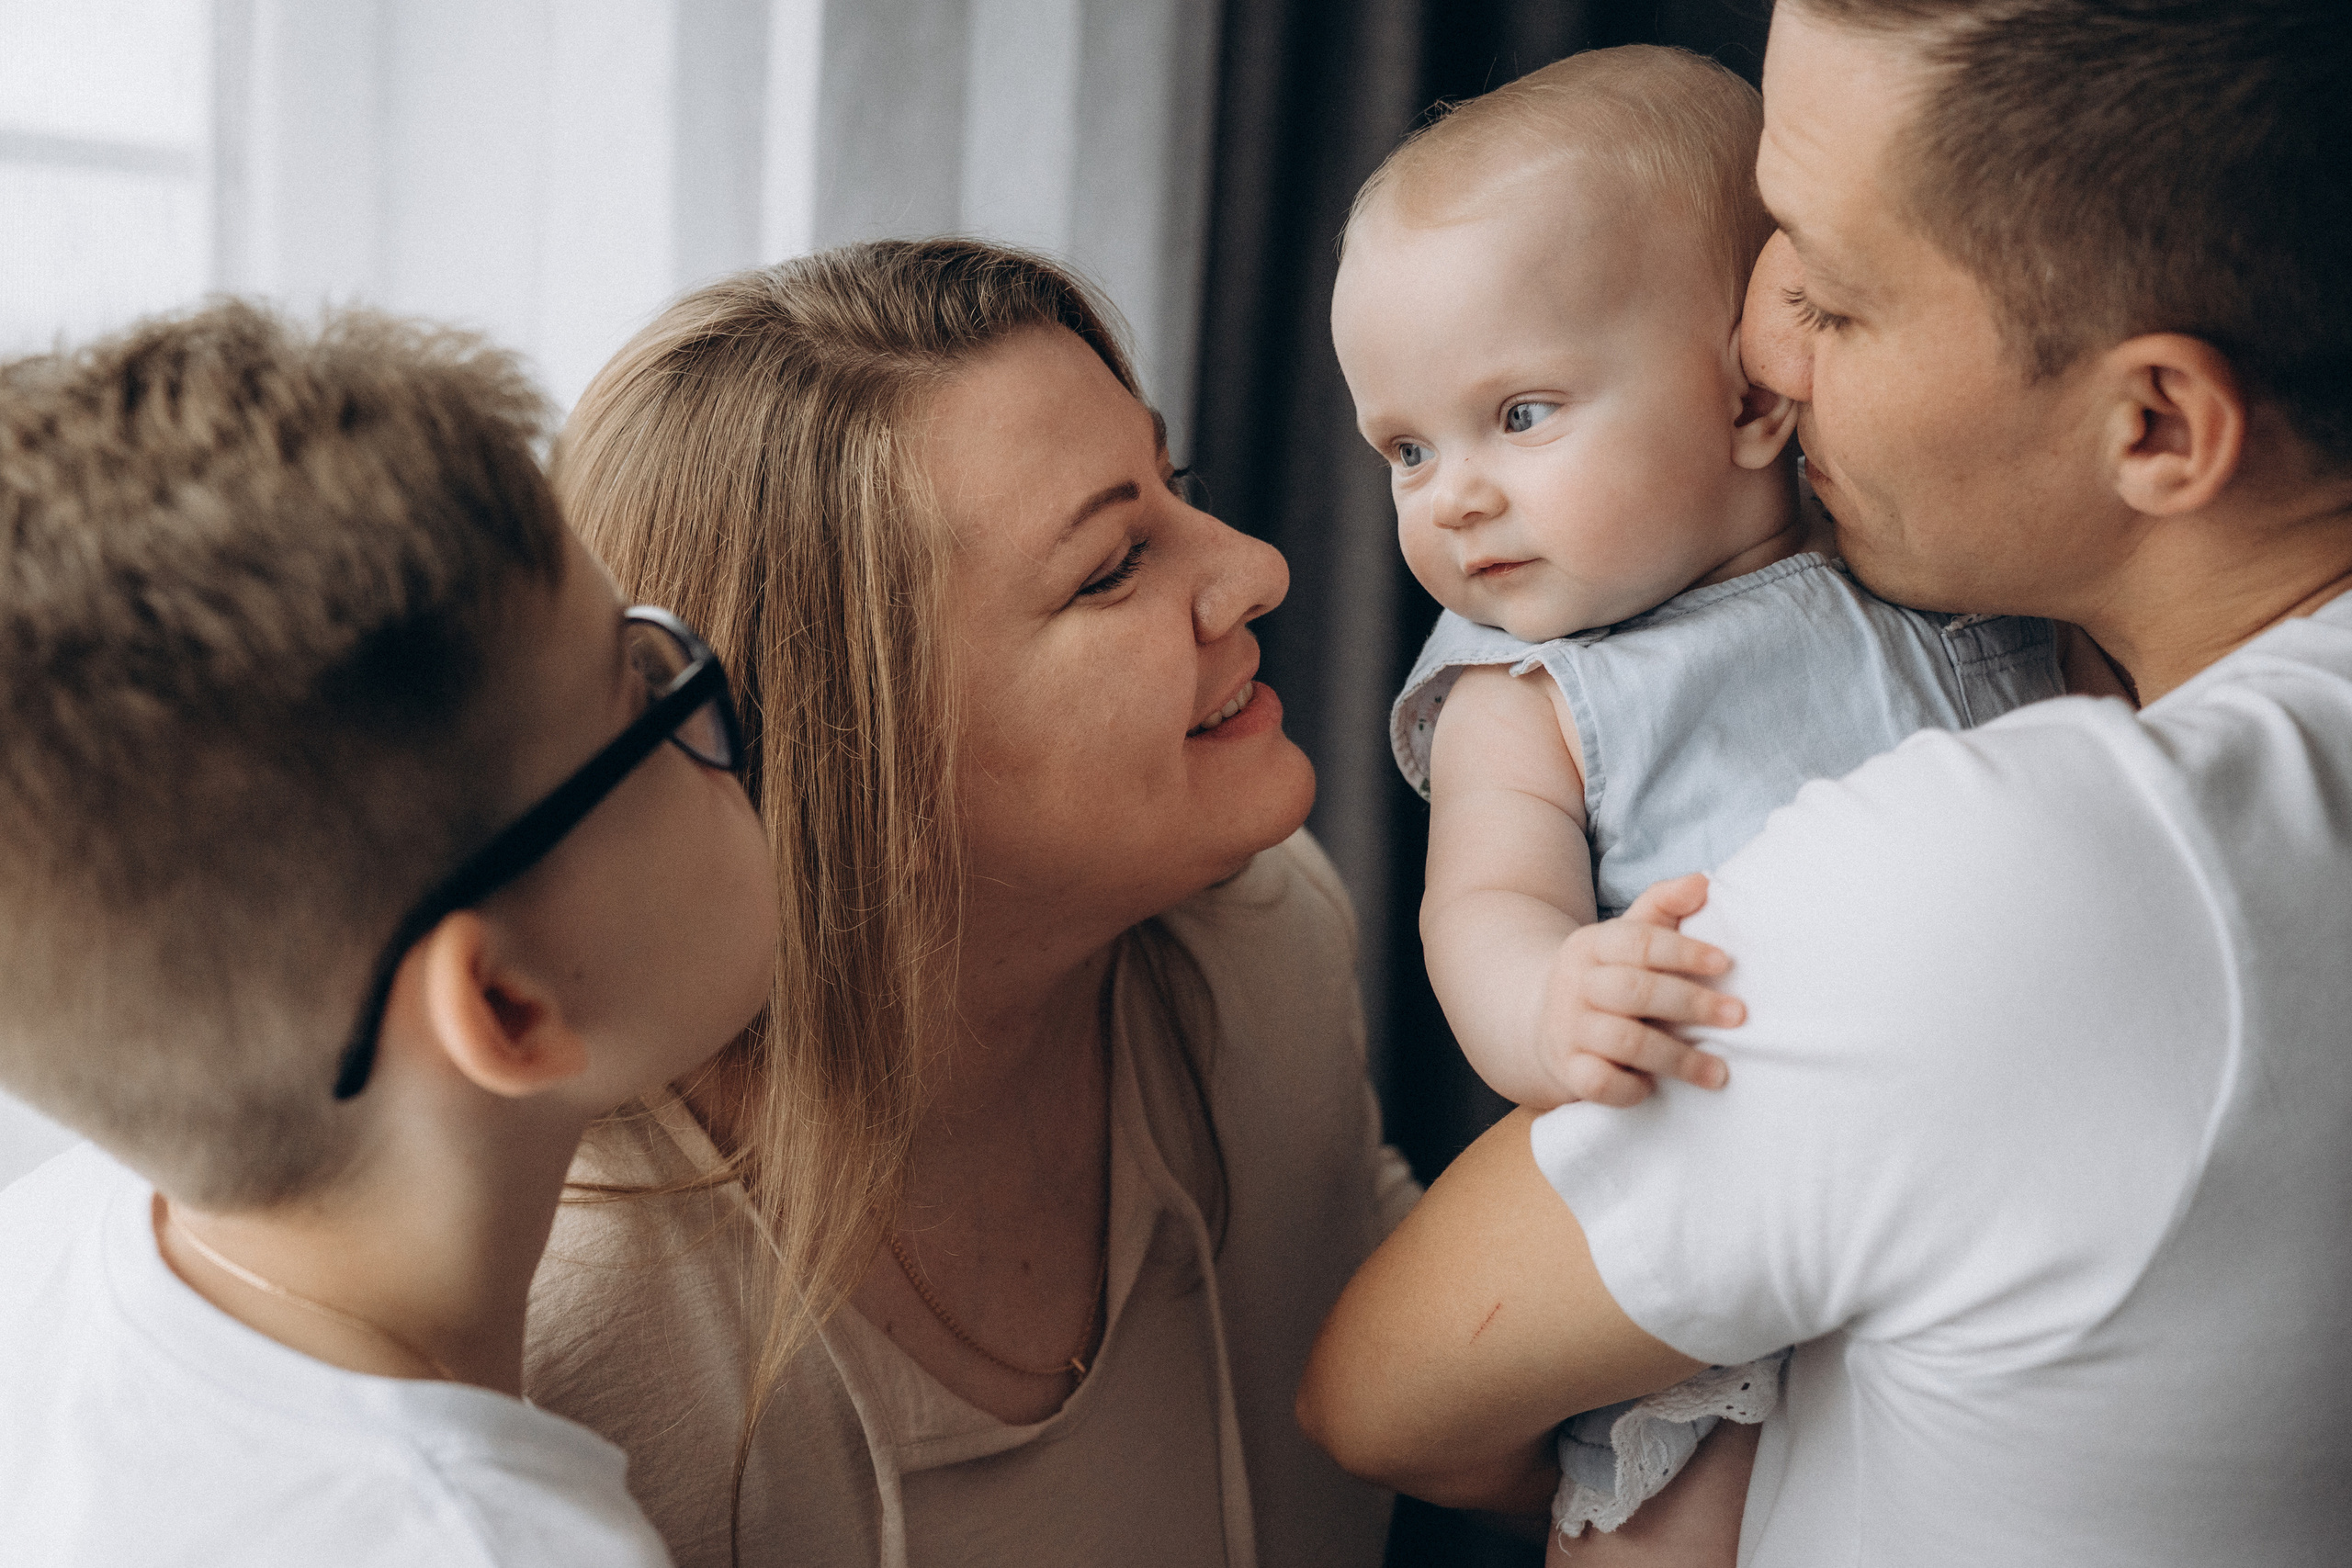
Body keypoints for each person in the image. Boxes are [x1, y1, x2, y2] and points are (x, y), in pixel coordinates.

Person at [1299, 1, 2352, 1563]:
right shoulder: (1549, 693)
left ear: (2156, 426)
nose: (1764, 344)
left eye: (1834, 296)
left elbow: (1384, 1396)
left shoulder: (2026, 873)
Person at [522, 239, 1417, 1568]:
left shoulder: (1266, 937)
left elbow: (1386, 1298)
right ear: (856, 754)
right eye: (1114, 565)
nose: (1257, 567)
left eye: (1181, 490)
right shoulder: (576, 1330)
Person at [1330, 46, 2071, 1548]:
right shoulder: (1524, 688)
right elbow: (1479, 902)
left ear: (1746, 394)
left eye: (1518, 414)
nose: (1450, 493)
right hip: (1707, 1233)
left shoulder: (1915, 553)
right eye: (1404, 448)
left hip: (1986, 1178)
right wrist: (1552, 1003)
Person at [0, 302, 778, 1564]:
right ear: (510, 1005)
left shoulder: (46, 1248)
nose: (703, 671)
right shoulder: (497, 1546)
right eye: (638, 686)